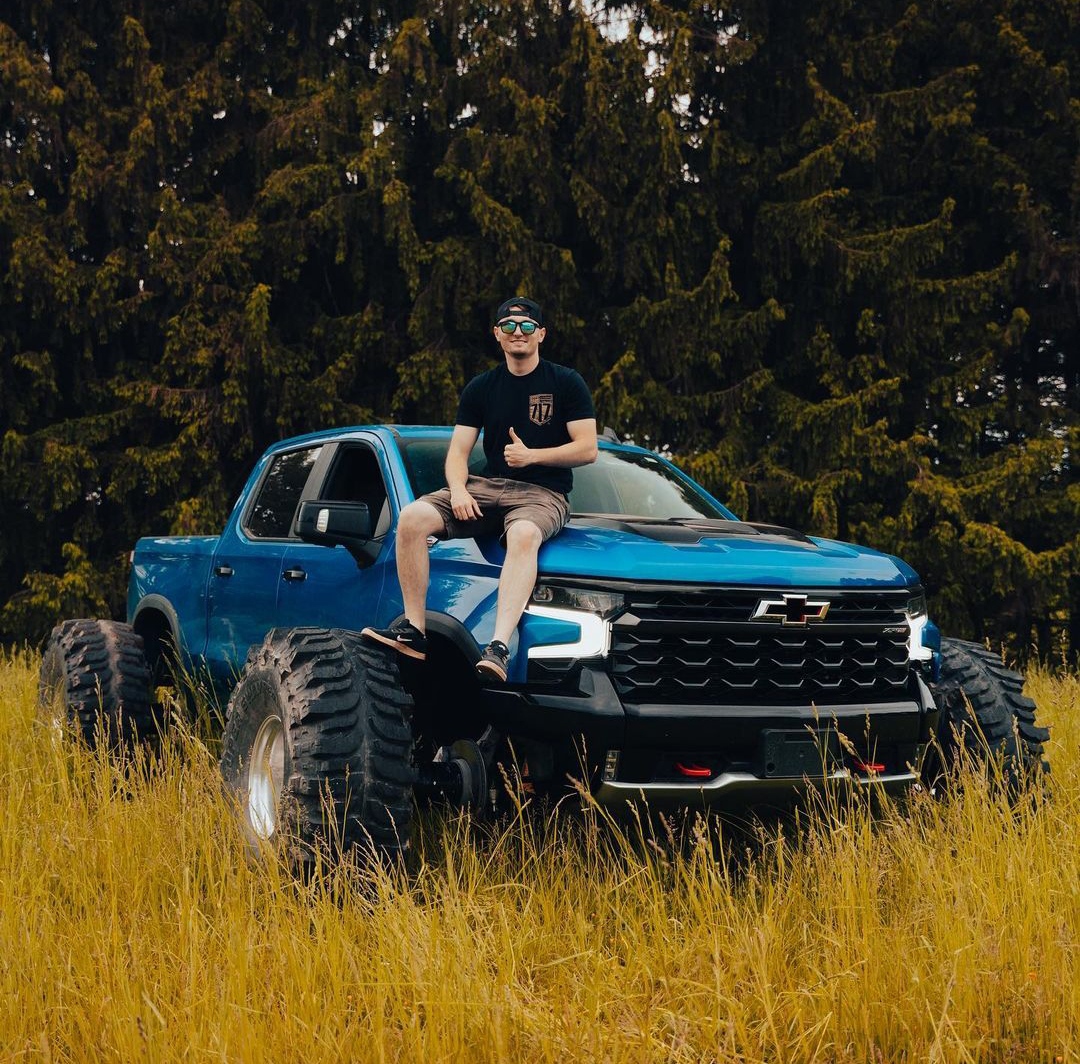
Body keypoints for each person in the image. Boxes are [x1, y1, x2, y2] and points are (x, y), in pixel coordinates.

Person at [362, 296, 598, 682]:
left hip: (543, 493)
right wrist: (458, 490)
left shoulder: (566, 382)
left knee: (523, 534)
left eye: (526, 326)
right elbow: (458, 452)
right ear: (497, 334)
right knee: (412, 517)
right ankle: (414, 631)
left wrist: (532, 456)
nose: (518, 332)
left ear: (540, 334)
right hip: (486, 487)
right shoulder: (481, 388)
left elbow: (587, 449)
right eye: (509, 326)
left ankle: (498, 647)